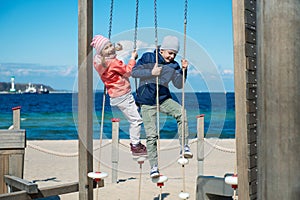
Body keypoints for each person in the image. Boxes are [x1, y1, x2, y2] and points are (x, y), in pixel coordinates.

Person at [131, 35, 193, 178]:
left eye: (174, 54)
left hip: (163, 99)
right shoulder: (148, 57)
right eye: (170, 53)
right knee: (152, 135)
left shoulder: (174, 66)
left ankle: (184, 146)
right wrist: (151, 72)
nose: (172, 57)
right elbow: (133, 72)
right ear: (162, 50)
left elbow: (179, 84)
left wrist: (184, 70)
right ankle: (154, 167)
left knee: (181, 113)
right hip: (146, 101)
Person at [91, 35, 147, 157]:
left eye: (111, 45)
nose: (111, 49)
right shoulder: (113, 62)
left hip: (114, 96)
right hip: (124, 94)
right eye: (107, 48)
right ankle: (135, 145)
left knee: (134, 113)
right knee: (136, 120)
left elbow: (108, 50)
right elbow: (128, 72)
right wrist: (133, 59)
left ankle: (135, 142)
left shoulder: (98, 61)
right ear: (101, 51)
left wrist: (117, 47)